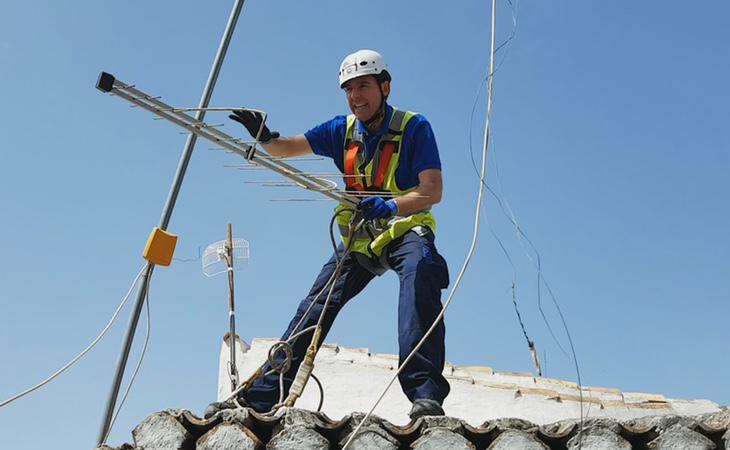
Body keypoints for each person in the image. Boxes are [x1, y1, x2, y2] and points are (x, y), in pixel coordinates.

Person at [205, 49, 450, 420]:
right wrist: (265, 136)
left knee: (421, 279)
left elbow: (432, 190)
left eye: (364, 87)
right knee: (315, 305)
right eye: (349, 89)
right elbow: (289, 148)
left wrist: (391, 206)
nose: (356, 97)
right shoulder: (342, 130)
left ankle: (425, 394)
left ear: (385, 87)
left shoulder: (414, 127)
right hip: (361, 238)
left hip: (404, 230)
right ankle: (262, 396)